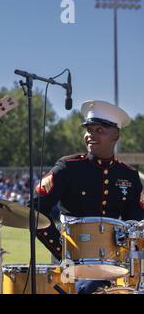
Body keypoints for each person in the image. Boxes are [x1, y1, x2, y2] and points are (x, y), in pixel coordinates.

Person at [31, 100, 144, 294]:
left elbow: (135, 222)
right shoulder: (68, 167)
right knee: (90, 288)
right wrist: (62, 250)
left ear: (116, 135)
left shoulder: (129, 175)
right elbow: (34, 211)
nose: (91, 135)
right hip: (71, 262)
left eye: (99, 130)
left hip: (116, 260)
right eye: (89, 130)